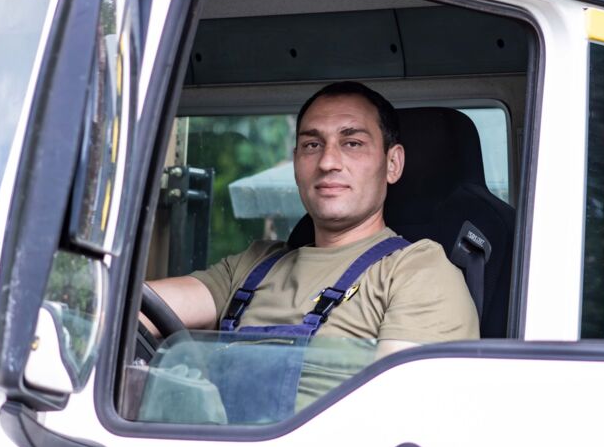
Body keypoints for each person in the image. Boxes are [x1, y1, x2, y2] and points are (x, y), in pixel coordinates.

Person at [145, 81, 479, 357]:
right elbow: (134, 307)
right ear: (295, 163)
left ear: (392, 163)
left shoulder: (416, 271)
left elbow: (392, 416)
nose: (327, 161)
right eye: (311, 145)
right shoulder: (253, 265)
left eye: (352, 142)